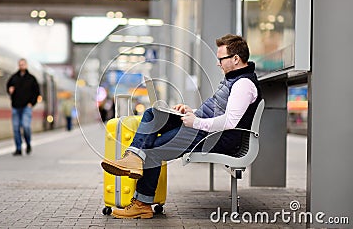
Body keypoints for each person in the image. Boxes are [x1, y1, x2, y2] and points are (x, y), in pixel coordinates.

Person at [101, 34, 263, 219]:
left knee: (154, 149)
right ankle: (134, 157)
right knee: (154, 113)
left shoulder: (243, 84)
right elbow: (217, 111)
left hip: (215, 137)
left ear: (235, 59)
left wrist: (196, 121)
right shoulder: (234, 79)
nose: (218, 63)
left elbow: (230, 122)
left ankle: (142, 204)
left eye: (221, 59)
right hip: (203, 128)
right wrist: (190, 111)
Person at [7, 58, 40, 156]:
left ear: (26, 65)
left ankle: (28, 143)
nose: (21, 66)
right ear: (18, 65)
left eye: (23, 64)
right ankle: (18, 148)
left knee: (26, 126)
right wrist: (10, 91)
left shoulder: (31, 79)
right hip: (16, 107)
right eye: (20, 64)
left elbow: (37, 93)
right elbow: (8, 87)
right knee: (16, 128)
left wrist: (31, 103)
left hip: (26, 107)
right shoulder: (13, 78)